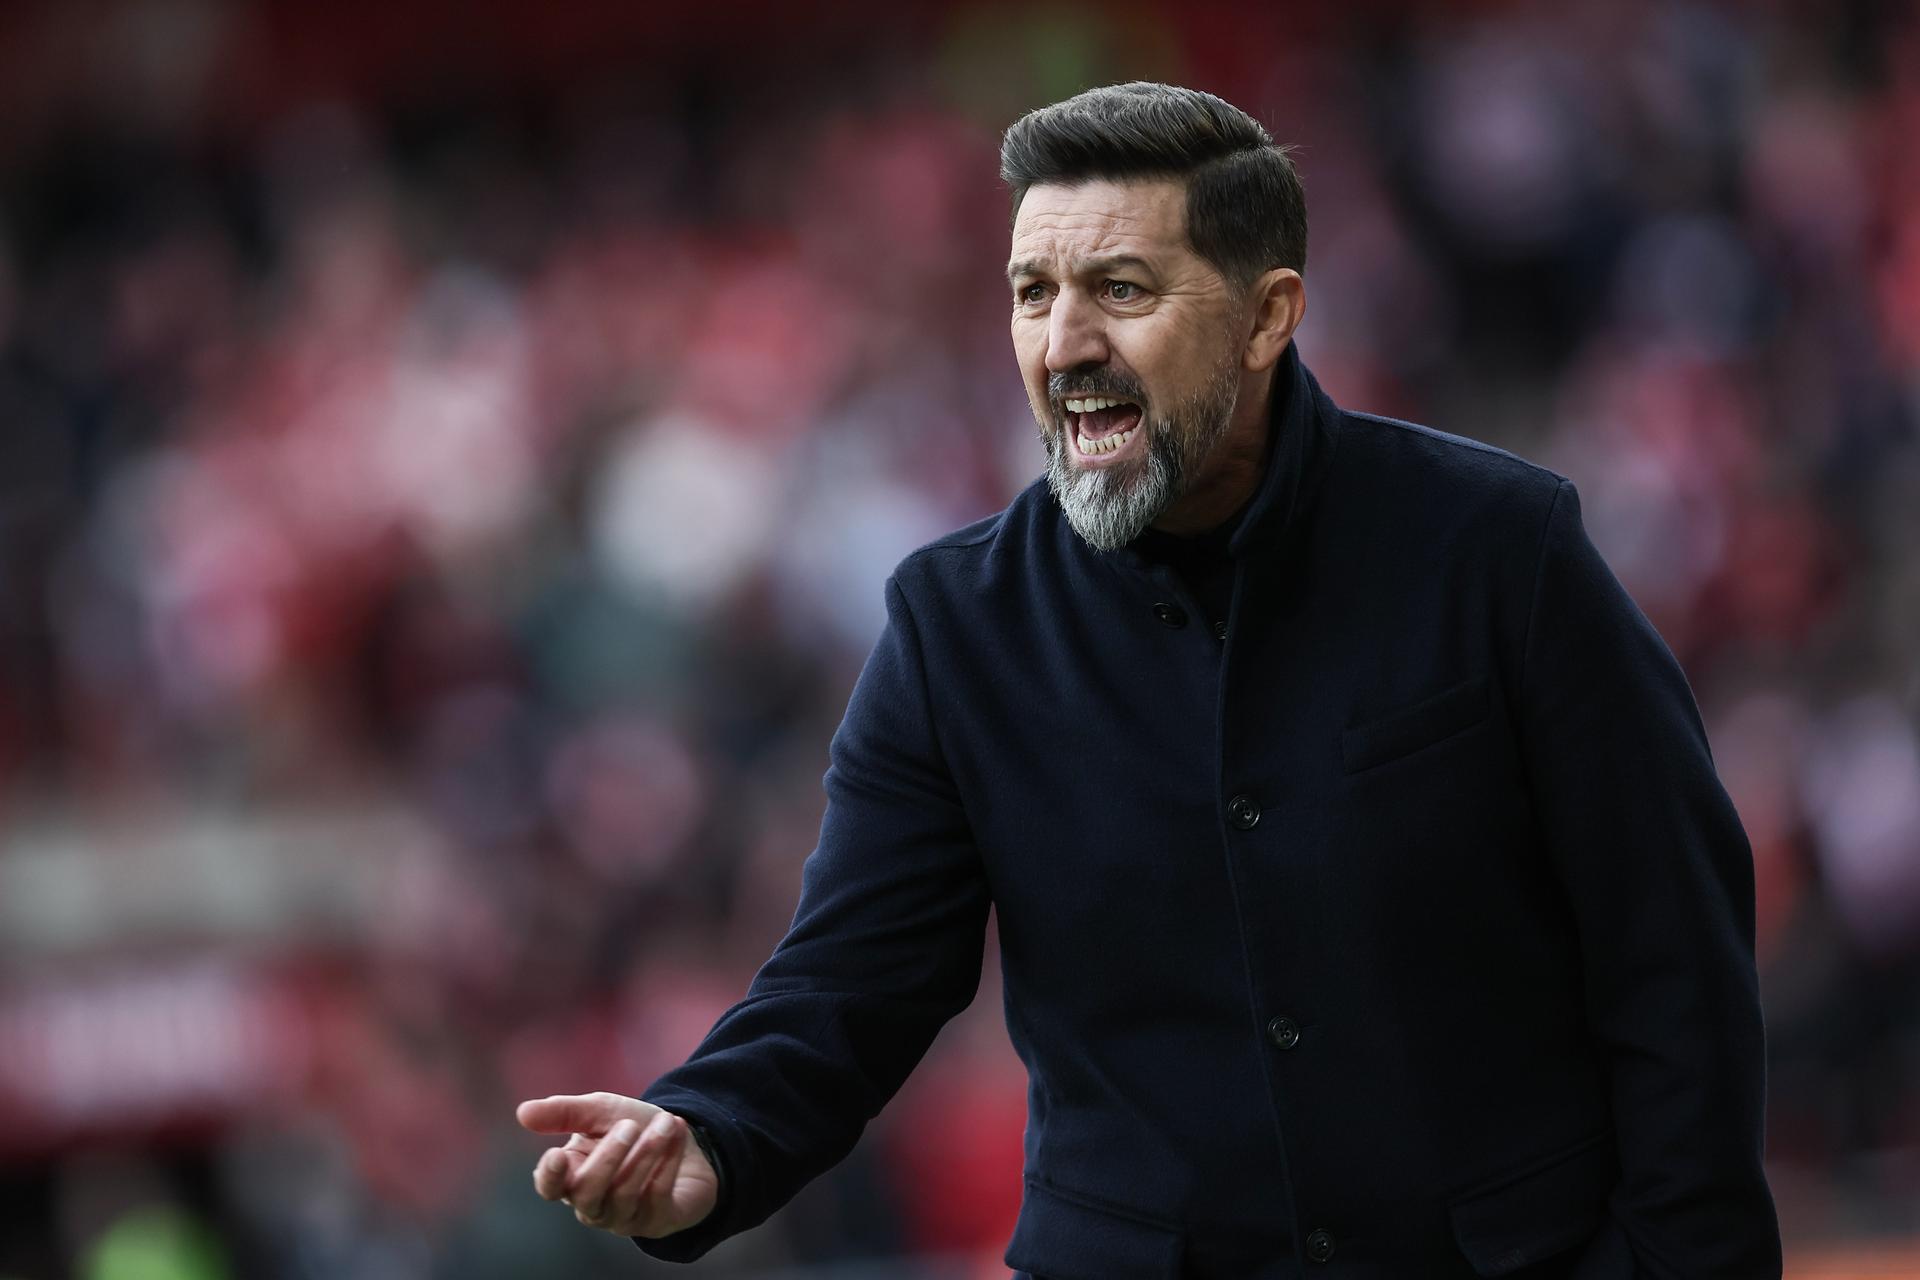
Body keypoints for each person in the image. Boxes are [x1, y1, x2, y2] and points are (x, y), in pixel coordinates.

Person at [516, 82, 1781, 1278]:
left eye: (1119, 288)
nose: (1063, 343)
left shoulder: (1500, 549)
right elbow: (850, 979)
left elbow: (1673, 954)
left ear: (1267, 313)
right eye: (1030, 292)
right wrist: (708, 1131)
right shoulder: (954, 626)